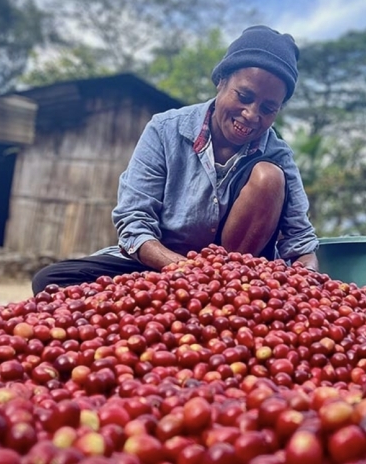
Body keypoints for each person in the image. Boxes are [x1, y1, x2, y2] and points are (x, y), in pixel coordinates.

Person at [32, 25, 319, 295]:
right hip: (161, 267)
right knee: (51, 283)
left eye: (268, 108)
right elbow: (134, 221)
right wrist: (185, 272)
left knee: (269, 176)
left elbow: (300, 243)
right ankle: (181, 302)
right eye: (244, 96)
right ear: (221, 81)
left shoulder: (277, 153)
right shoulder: (165, 129)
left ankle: (218, 300)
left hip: (239, 286)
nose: (251, 114)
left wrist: (307, 287)